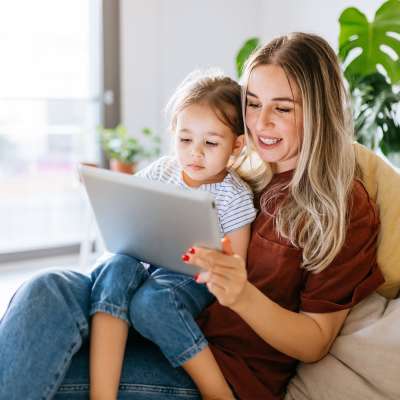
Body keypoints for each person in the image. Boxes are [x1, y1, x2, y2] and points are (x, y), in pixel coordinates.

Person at [0, 32, 384, 400]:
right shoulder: (241, 166)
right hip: (140, 310)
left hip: (210, 362)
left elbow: (315, 340)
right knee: (44, 287)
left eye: (282, 108)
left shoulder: (342, 207)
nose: (259, 122)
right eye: (252, 103)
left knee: (36, 370)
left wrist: (242, 295)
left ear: (320, 112)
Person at [89, 70, 257, 400]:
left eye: (210, 143)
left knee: (153, 301)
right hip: (148, 262)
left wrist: (220, 263)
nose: (195, 153)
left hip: (192, 279)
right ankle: (102, 392)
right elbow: (129, 211)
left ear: (236, 145)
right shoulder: (162, 170)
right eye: (185, 140)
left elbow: (236, 267)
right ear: (173, 134)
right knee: (114, 267)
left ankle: (217, 392)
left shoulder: (233, 195)